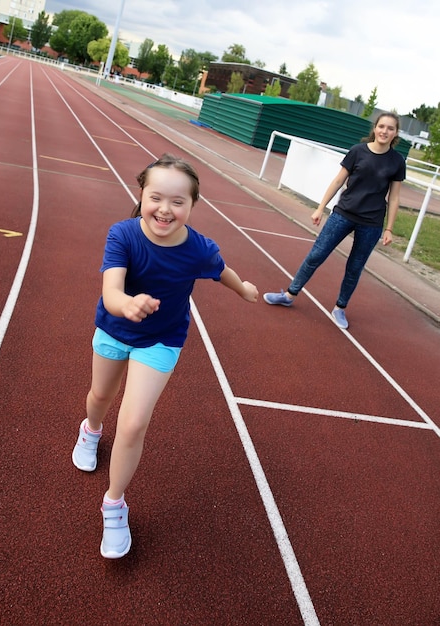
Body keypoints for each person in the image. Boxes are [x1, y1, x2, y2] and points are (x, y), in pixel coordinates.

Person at [72, 153, 258, 559]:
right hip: (115, 328)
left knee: (135, 422)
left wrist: (242, 287)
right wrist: (126, 305)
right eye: (157, 198)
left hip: (161, 340)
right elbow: (111, 290)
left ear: (193, 205)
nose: (166, 209)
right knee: (100, 397)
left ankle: (114, 503)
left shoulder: (199, 248)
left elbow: (219, 268)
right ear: (142, 195)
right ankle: (90, 429)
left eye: (178, 202)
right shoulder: (122, 234)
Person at [263, 112, 406, 329]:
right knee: (316, 255)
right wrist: (320, 208)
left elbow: (394, 197)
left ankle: (340, 308)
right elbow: (339, 180)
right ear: (375, 128)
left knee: (355, 267)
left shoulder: (396, 161)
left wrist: (389, 229)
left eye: (390, 128)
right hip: (343, 214)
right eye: (382, 126)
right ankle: (290, 295)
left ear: (396, 133)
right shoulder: (357, 151)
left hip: (371, 223)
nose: (385, 131)